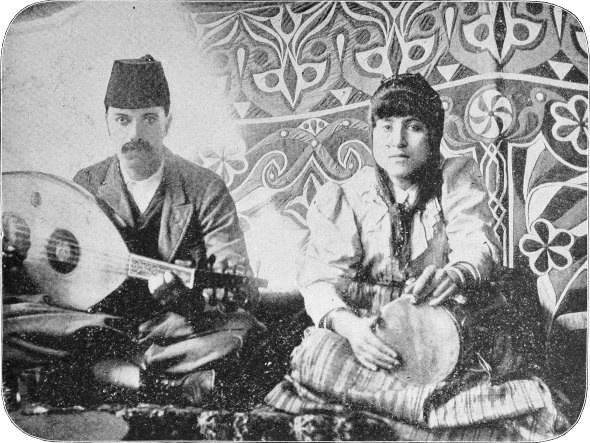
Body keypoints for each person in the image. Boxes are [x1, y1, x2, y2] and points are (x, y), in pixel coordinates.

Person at [264, 73, 564, 438]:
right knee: (318, 355)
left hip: (441, 322)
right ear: (372, 134)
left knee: (493, 371)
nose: (398, 141)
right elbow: (320, 280)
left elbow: (477, 244)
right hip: (369, 328)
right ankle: (434, 413)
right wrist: (352, 330)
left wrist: (456, 274)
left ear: (433, 136)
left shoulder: (454, 179)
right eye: (386, 127)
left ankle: (398, 410)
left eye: (414, 127)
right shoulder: (346, 195)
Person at [2, 55, 264, 407]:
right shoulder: (86, 184)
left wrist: (184, 300)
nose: (134, 135)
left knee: (241, 332)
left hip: (170, 326)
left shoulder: (205, 189)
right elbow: (61, 281)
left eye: (149, 119)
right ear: (108, 123)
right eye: (123, 120)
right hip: (95, 324)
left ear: (168, 122)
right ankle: (152, 379)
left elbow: (238, 284)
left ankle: (105, 374)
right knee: (7, 322)